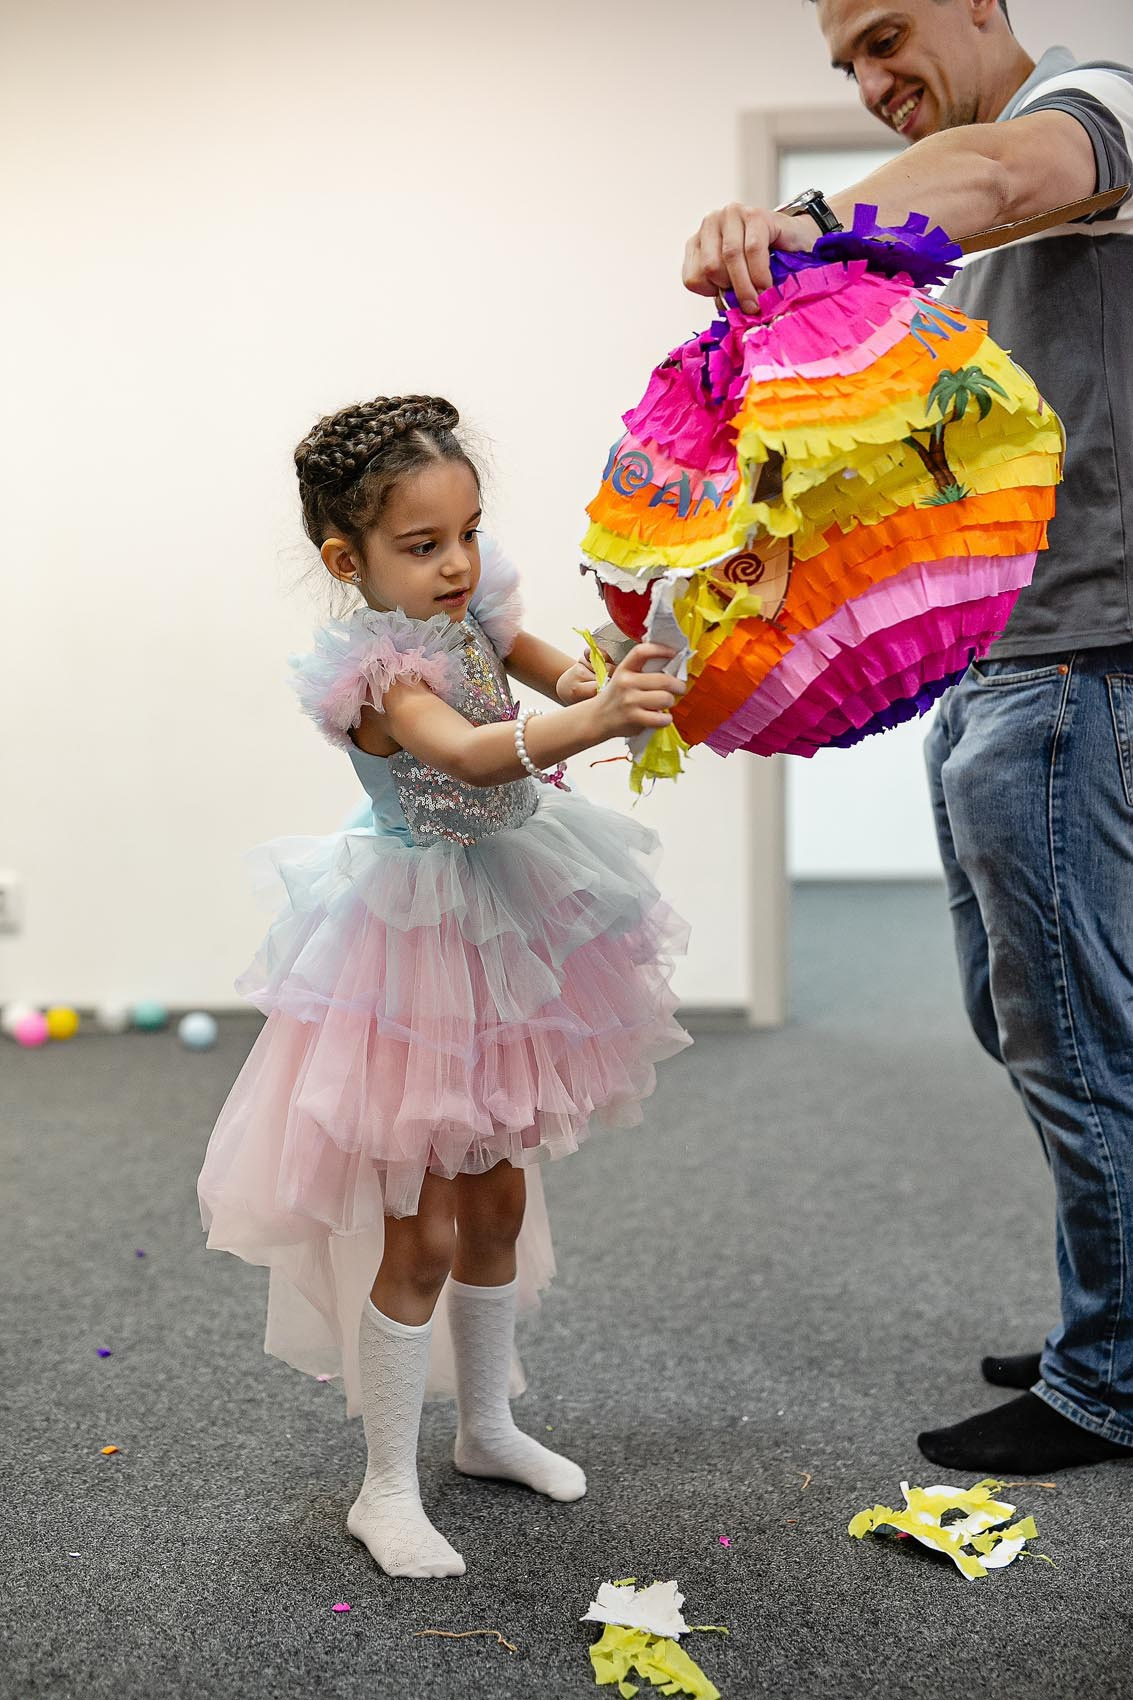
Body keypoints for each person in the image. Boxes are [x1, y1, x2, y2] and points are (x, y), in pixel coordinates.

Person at [683, 0, 1133, 1473]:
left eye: (887, 39)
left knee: (1076, 1038)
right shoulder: (965, 215)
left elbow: (1001, 173)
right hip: (1003, 667)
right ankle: (1112, 1308)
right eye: (847, 68)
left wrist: (799, 224)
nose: (876, 85)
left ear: (984, 7)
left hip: (1076, 671)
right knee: (1028, 1025)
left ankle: (1112, 1374)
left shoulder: (1088, 109)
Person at [197, 394, 691, 1576]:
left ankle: (486, 1425)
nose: (457, 561)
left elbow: (554, 670)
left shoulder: (477, 606)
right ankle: (383, 1485)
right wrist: (587, 722)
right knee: (417, 1229)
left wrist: (612, 672)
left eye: (467, 530)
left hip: (510, 923)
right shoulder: (373, 673)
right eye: (422, 545)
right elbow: (468, 750)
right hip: (414, 948)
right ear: (346, 558)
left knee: (500, 1203)